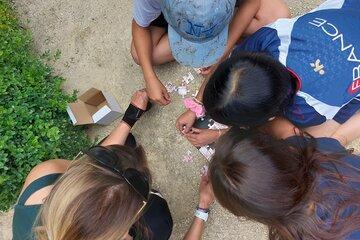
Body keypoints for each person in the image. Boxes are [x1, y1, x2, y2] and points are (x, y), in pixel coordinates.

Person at [176, 0, 360, 147]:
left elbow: (275, 128)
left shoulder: (308, 111)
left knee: (315, 137)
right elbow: (230, 72)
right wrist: (196, 104)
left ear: (271, 116)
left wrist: (219, 135)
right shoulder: (273, 37)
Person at [12, 90, 173, 240]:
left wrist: (130, 117)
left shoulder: (44, 176)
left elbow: (88, 166)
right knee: (158, 220)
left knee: (125, 144)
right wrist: (200, 211)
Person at [207, 118, 360, 240]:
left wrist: (218, 133)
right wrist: (236, 136)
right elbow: (282, 127)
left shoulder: (298, 232)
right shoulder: (319, 154)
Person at [131, 0, 289, 105]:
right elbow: (139, 26)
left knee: (278, 17)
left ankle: (216, 27)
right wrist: (149, 77)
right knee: (139, 54)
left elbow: (253, 2)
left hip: (226, 9)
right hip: (168, 14)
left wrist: (223, 49)